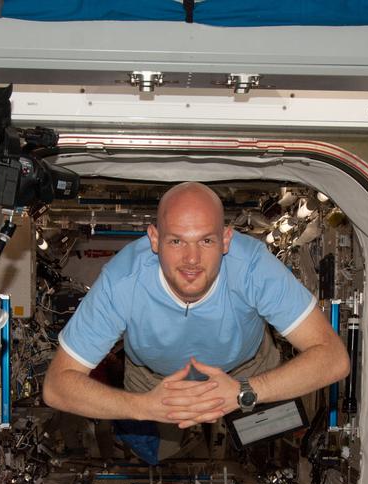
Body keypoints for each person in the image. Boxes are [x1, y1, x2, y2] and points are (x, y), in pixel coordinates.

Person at [43, 182, 349, 430]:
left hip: (248, 367)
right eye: (176, 242)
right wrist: (143, 407)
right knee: (157, 451)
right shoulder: (121, 281)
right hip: (152, 379)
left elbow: (333, 358)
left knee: (266, 433)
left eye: (206, 241)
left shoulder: (254, 267)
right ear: (154, 239)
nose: (191, 260)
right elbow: (57, 385)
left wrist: (248, 390)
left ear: (226, 240)